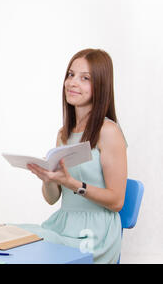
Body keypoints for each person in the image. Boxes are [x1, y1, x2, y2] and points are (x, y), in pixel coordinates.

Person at [19, 48, 127, 263]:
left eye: (84, 78)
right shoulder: (63, 134)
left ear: (100, 86)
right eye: (70, 75)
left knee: (27, 246)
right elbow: (52, 199)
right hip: (63, 224)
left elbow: (117, 201)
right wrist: (47, 179)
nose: (72, 83)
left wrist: (72, 183)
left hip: (95, 233)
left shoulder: (108, 131)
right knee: (11, 235)